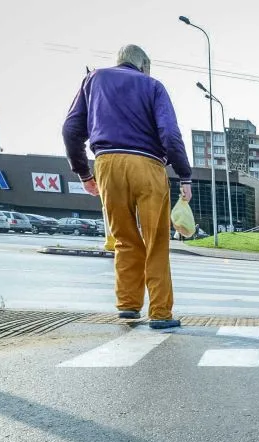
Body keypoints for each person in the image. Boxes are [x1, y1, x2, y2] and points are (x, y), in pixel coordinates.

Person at [62, 45, 192, 329]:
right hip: (149, 166)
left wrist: (84, 174)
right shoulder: (153, 86)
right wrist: (184, 175)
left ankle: (128, 306)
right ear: (144, 65)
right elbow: (170, 134)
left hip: (107, 163)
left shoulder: (93, 80)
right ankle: (160, 313)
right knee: (156, 242)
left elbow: (71, 130)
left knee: (124, 238)